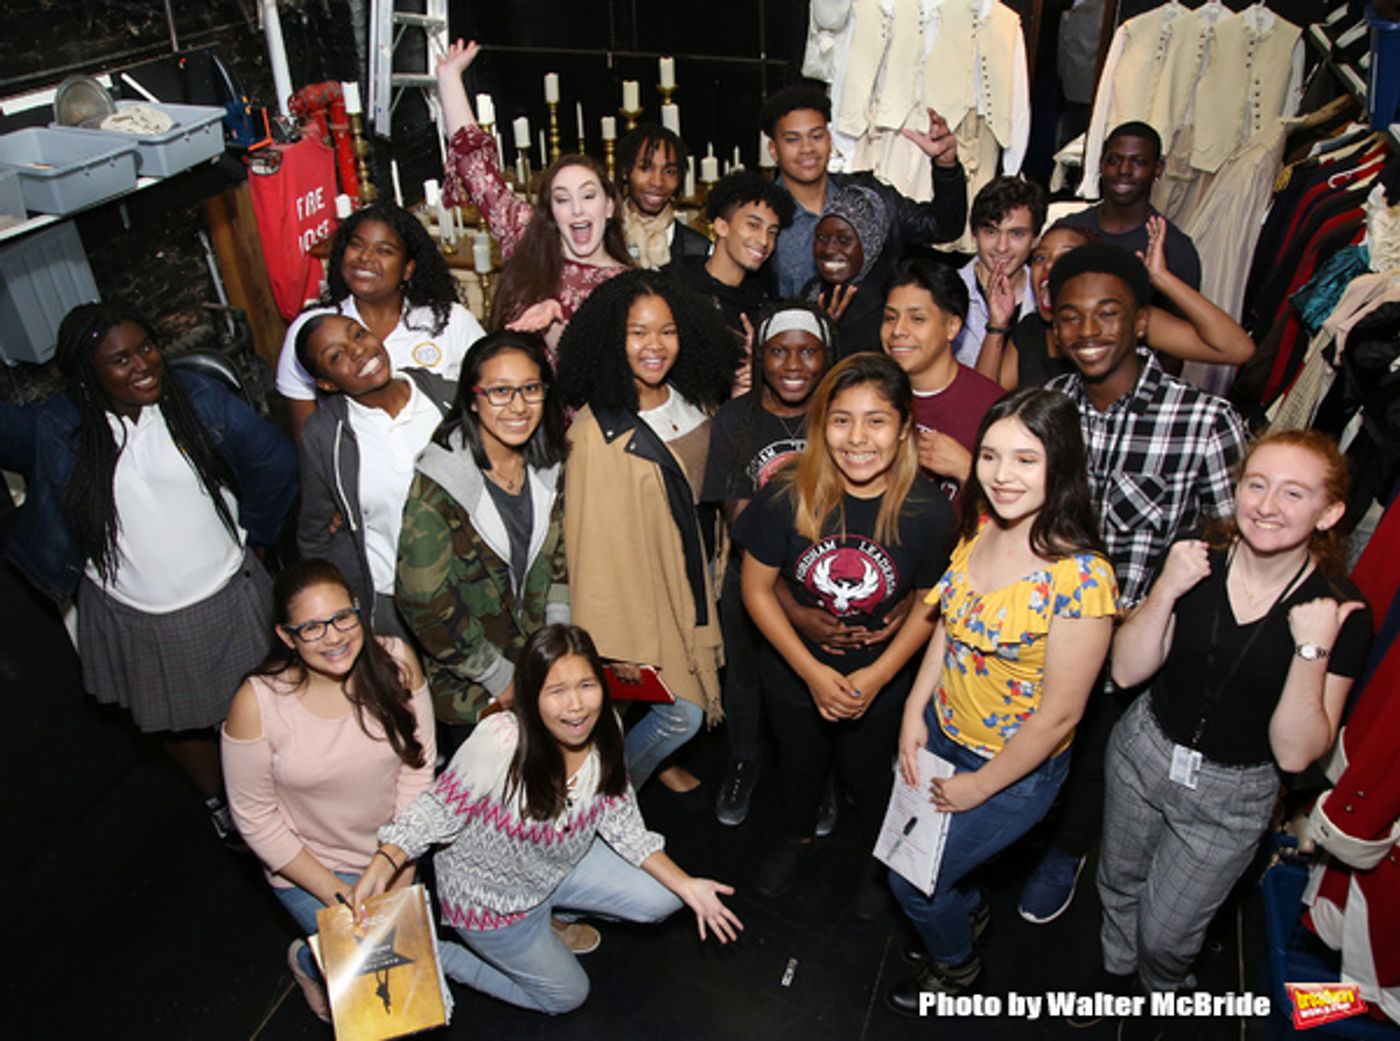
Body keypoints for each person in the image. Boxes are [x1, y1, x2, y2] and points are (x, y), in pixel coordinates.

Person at [0, 303, 297, 842]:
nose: (143, 365)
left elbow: (273, 460)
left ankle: (283, 794)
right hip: (139, 612)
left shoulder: (196, 398)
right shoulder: (53, 427)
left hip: (227, 592)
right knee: (176, 722)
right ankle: (220, 802)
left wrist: (256, 535)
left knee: (267, 708)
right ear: (88, 374)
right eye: (120, 360)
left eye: (147, 347)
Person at [1016, 242, 1248, 927]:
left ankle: (1066, 850)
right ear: (1054, 331)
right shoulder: (1041, 411)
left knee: (1092, 757)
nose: (1088, 332)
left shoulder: (1203, 423)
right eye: (1071, 317)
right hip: (1035, 635)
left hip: (1132, 656)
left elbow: (1233, 558)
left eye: (1108, 313)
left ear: (1142, 321)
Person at [1097, 430, 1370, 1007]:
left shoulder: (1340, 612)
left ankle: (1161, 986)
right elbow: (1125, 671)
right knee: (1118, 883)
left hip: (1233, 795)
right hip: (1143, 751)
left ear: (1331, 512)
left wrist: (1312, 650)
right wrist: (1166, 589)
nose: (1268, 506)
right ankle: (1116, 974)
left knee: (1169, 933)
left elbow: (1297, 756)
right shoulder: (1196, 558)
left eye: (1294, 494)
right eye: (1257, 485)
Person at [351, 623, 743, 1015]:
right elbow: (437, 808)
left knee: (665, 896)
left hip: (556, 867)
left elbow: (622, 822)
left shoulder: (608, 728)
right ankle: (438, 956)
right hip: (494, 903)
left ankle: (557, 917)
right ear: (531, 694)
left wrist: (688, 885)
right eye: (556, 691)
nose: (576, 706)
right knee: (567, 996)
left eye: (586, 686)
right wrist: (385, 860)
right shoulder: (502, 740)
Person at [886, 387, 1118, 1011]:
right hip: (941, 736)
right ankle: (960, 916)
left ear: (1061, 465)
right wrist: (915, 712)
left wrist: (979, 786)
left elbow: (1061, 716)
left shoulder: (1080, 579)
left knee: (913, 883)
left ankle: (955, 966)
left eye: (1025, 459)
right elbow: (948, 626)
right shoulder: (984, 526)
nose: (1001, 475)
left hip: (1008, 774)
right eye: (990, 456)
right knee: (919, 870)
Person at [737, 353, 956, 914]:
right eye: (841, 419)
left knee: (870, 777)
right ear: (820, 424)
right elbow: (756, 589)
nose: (857, 438)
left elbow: (933, 603)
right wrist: (810, 673)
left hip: (880, 679)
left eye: (877, 420)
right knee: (798, 765)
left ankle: (878, 859)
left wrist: (879, 675)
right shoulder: (786, 495)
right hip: (793, 672)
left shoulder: (929, 512)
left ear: (905, 427)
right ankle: (797, 834)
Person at [221, 559, 435, 1021]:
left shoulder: (397, 662)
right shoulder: (257, 703)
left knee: (408, 1000)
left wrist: (396, 863)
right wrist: (338, 895)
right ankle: (313, 958)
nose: (334, 637)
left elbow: (418, 773)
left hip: (393, 854)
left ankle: (316, 957)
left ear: (358, 612)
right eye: (312, 628)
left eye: (342, 618)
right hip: (311, 870)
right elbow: (254, 818)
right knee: (388, 1012)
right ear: (286, 635)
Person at [557, 271, 740, 799]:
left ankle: (653, 768)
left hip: (702, 573)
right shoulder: (596, 435)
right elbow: (592, 555)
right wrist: (612, 645)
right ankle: (611, 795)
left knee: (673, 704)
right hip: (646, 594)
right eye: (637, 333)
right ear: (613, 340)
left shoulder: (696, 399)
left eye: (667, 331)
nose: (654, 346)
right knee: (681, 713)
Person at [701, 301, 837, 826]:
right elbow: (739, 517)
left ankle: (820, 776)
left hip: (825, 581)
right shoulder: (737, 419)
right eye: (779, 351)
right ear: (761, 357)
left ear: (827, 356)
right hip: (752, 581)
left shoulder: (838, 412)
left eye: (808, 351)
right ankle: (743, 761)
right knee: (747, 677)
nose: (794, 364)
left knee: (816, 683)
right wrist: (784, 602)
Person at [396, 330, 569, 734]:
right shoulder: (440, 483)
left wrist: (558, 646)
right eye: (499, 392)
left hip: (546, 675)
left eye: (530, 389)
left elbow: (563, 560)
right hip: (475, 693)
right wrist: (497, 676)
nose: (518, 406)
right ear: (473, 399)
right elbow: (423, 599)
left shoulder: (551, 465)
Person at [436, 40, 630, 348]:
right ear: (551, 212)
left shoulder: (629, 286)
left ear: (609, 207)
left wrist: (554, 325)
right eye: (562, 199)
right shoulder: (527, 238)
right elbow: (478, 171)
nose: (577, 209)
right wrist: (449, 78)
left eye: (588, 196)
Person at [295, 314, 456, 639]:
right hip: (394, 606)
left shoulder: (447, 399)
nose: (357, 350)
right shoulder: (326, 437)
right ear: (326, 383)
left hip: (475, 587)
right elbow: (315, 536)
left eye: (358, 334)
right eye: (336, 356)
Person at [275, 201, 482, 440]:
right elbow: (309, 439)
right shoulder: (313, 329)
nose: (365, 257)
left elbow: (492, 390)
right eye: (356, 245)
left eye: (384, 250)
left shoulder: (451, 321)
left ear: (408, 269)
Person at [977, 219, 1255, 391]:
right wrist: (998, 324)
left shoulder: (1123, 321)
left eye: (1066, 256)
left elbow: (1236, 349)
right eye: (1040, 258)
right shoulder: (1031, 332)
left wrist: (1162, 278)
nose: (1050, 266)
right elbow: (981, 403)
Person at [761, 81, 967, 298]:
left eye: (816, 136)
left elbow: (943, 226)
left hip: (874, 330)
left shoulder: (868, 197)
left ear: (829, 141)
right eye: (793, 139)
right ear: (774, 150)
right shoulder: (763, 217)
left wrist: (946, 165)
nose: (807, 148)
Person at [881, 259, 1005, 502]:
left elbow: (1020, 512)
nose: (898, 331)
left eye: (917, 319)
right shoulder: (871, 396)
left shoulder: (992, 408)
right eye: (890, 318)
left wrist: (966, 470)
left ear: (952, 327)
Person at [1058, 121, 1202, 295]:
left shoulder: (1175, 249)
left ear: (1158, 169)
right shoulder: (1068, 230)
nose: (1124, 170)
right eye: (1114, 160)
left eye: (1139, 162)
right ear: (1101, 164)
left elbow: (1188, 321)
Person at [666, 169, 794, 338]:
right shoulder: (675, 286)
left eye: (772, 232)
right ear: (721, 227)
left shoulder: (761, 303)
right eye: (753, 225)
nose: (764, 240)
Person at [951, 176, 1045, 367]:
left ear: (1035, 239)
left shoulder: (1045, 296)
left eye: (1016, 234)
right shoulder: (945, 293)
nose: (1002, 247)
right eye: (991, 232)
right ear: (974, 234)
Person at [804, 183, 890, 356]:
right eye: (821, 238)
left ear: (869, 245)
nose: (828, 249)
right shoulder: (811, 292)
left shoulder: (887, 302)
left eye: (844, 240)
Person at [615, 122, 709, 269]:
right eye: (645, 168)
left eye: (669, 171)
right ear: (625, 171)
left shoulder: (698, 249)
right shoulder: (604, 239)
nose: (658, 182)